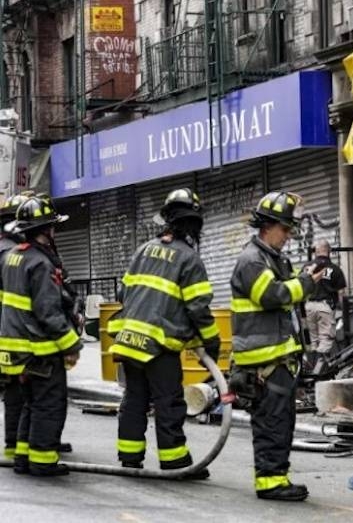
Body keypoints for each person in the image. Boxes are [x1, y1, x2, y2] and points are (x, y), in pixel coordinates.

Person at [108, 188, 220, 476]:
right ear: (194, 225)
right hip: (159, 346)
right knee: (168, 402)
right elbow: (197, 308)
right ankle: (175, 461)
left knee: (134, 399)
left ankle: (130, 458)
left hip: (130, 341)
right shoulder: (189, 259)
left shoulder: (143, 250)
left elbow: (124, 292)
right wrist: (211, 341)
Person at [229, 190, 323, 501]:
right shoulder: (252, 260)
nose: (288, 236)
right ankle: (270, 482)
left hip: (279, 356)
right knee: (272, 422)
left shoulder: (272, 259)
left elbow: (288, 293)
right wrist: (306, 283)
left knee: (281, 421)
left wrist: (304, 279)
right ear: (267, 225)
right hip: (264, 361)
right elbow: (272, 296)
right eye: (285, 229)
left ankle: (277, 477)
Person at [0, 194, 81, 476]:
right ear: (46, 230)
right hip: (38, 350)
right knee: (48, 405)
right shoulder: (41, 264)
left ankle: (23, 459)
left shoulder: (13, 257)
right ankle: (43, 462)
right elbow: (48, 312)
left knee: (29, 405)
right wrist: (73, 345)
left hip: (15, 349)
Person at [1, 192, 32, 461]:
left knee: (19, 390)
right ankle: (18, 444)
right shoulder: (9, 253)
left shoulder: (8, 250)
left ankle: (23, 443)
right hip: (15, 333)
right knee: (20, 392)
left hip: (10, 331)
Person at [303, 239, 347, 371]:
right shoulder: (335, 269)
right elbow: (341, 292)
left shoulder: (306, 267)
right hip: (325, 307)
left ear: (316, 251)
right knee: (326, 339)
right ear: (329, 251)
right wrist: (340, 309)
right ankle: (320, 370)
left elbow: (300, 286)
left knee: (312, 340)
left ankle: (311, 368)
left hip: (308, 306)